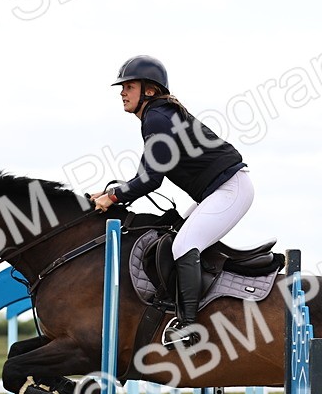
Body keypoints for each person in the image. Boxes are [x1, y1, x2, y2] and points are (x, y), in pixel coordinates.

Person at [89, 55, 253, 346]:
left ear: (149, 90)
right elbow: (144, 175)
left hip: (230, 190)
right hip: (220, 191)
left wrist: (112, 197)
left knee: (183, 246)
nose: (122, 92)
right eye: (122, 87)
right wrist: (108, 195)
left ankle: (189, 327)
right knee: (174, 238)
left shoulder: (157, 118)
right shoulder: (158, 116)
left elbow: (151, 180)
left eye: (129, 86)